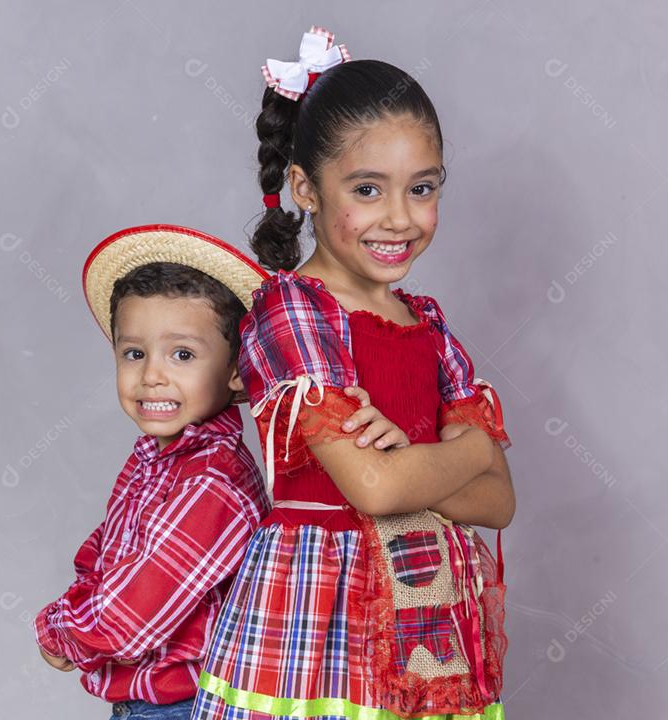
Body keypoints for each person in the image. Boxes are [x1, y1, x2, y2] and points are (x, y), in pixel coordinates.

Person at [191, 28, 515, 719]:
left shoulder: (427, 324)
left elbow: (499, 504)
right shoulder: (291, 314)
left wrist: (430, 459)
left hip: (426, 613)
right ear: (306, 188)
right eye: (368, 189)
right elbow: (375, 486)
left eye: (422, 188)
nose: (400, 218)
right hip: (319, 618)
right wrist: (468, 451)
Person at [32, 225, 273, 719]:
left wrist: (63, 630)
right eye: (134, 353)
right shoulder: (158, 461)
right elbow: (106, 551)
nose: (151, 375)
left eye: (182, 354)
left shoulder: (212, 482)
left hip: (185, 706)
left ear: (235, 372)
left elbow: (132, 615)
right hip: (148, 703)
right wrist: (80, 601)